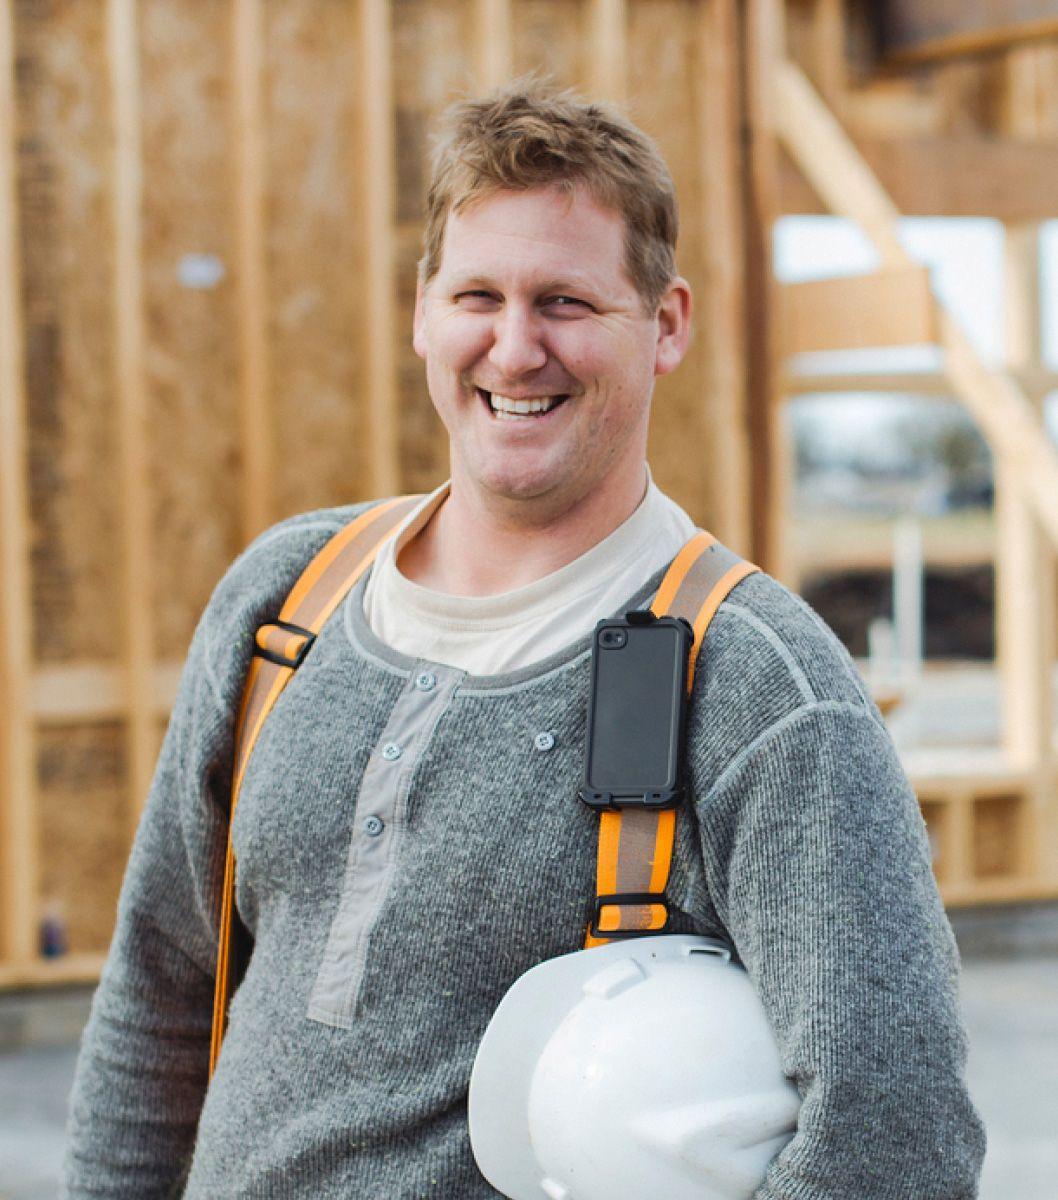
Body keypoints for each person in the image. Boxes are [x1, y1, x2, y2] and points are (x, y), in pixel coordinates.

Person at [64, 81, 985, 1198]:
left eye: (564, 303)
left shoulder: (751, 687)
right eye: (477, 296)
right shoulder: (285, 604)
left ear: (666, 325)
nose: (512, 348)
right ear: (420, 312)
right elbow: (159, 995)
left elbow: (893, 1131)